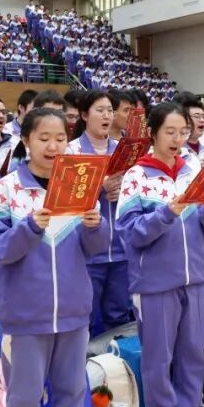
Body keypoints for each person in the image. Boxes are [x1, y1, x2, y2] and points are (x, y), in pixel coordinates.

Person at [0, 107, 107, 407]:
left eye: (60, 138)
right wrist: (30, 227)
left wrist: (96, 226)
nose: (53, 146)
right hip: (25, 315)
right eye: (44, 138)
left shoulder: (80, 186)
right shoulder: (6, 190)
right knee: (25, 396)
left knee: (71, 390)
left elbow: (97, 248)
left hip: (72, 310)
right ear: (26, 140)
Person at [117, 103, 204, 407]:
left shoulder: (193, 170)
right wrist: (167, 213)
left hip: (196, 276)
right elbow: (130, 233)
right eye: (170, 132)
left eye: (183, 132)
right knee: (159, 355)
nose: (178, 139)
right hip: (154, 281)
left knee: (193, 348)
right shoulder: (137, 177)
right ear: (153, 133)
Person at [67, 91, 130, 334]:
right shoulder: (72, 151)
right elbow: (68, 198)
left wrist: (123, 190)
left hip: (121, 248)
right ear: (84, 115)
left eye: (110, 111)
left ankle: (118, 359)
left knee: (120, 315)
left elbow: (137, 189)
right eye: (100, 110)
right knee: (87, 315)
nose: (107, 116)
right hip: (87, 252)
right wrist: (100, 188)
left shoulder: (124, 151)